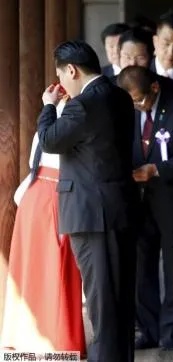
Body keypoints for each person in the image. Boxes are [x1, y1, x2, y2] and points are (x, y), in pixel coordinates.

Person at [37, 40, 138, 362]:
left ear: (71, 70)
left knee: (102, 304)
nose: (63, 84)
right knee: (118, 302)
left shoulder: (84, 104)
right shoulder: (120, 96)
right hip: (118, 208)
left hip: (92, 215)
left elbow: (51, 141)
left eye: (62, 76)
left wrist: (49, 106)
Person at [117, 66, 173, 350]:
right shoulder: (123, 111)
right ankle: (149, 330)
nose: (136, 106)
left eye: (140, 99)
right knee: (142, 268)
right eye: (131, 101)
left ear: (155, 88)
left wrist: (157, 170)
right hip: (138, 202)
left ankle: (172, 331)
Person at [1, 95, 86, 356]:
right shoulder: (69, 125)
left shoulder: (47, 123)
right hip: (56, 194)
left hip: (36, 194)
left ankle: (25, 335)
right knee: (56, 266)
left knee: (31, 267)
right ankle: (57, 337)